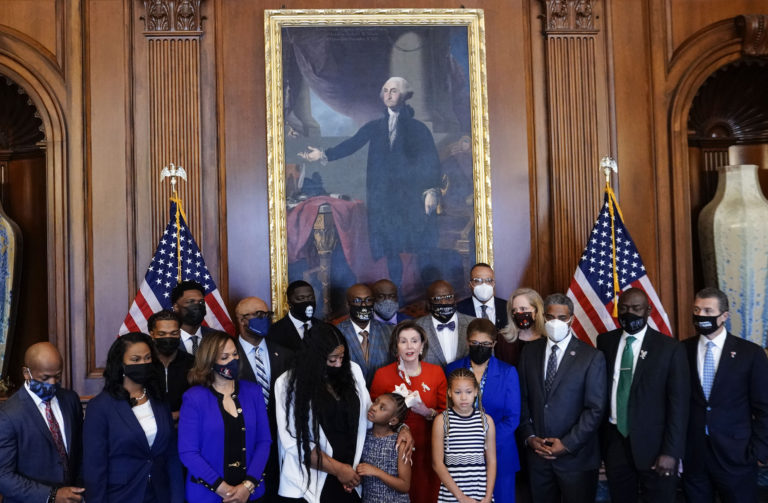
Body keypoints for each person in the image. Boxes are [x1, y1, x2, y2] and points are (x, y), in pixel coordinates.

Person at [299, 77, 441, 285]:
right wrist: (322, 154)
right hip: (383, 199)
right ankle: (397, 294)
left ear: (404, 96)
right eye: (385, 90)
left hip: (410, 199)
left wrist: (431, 191)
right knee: (390, 248)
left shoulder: (419, 129)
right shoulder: (375, 126)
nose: (388, 94)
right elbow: (352, 144)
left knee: (414, 246)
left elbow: (431, 161)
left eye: (394, 91)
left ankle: (421, 290)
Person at [596, 287, 689, 503]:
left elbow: (679, 405)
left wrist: (671, 451)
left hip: (656, 447)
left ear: (648, 311)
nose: (630, 314)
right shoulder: (605, 342)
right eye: (624, 308)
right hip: (615, 441)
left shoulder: (670, 348)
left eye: (636, 308)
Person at [518, 293, 606, 503]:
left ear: (572, 319)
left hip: (576, 459)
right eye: (550, 317)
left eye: (562, 318)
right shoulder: (529, 352)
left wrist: (566, 444)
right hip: (538, 458)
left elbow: (595, 409)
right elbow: (522, 399)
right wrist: (529, 438)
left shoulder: (591, 356)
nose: (555, 322)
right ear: (543, 318)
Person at [682, 287, 768, 502]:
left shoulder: (750, 353)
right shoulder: (681, 350)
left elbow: (764, 406)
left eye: (708, 311)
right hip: (694, 455)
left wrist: (758, 452)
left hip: (737, 456)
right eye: (697, 309)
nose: (701, 316)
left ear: (724, 316)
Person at [275, 323, 374, 502]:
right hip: (307, 484)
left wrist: (402, 428)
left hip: (350, 480)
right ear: (315, 358)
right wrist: (338, 470)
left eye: (342, 358)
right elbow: (294, 442)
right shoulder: (287, 384)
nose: (338, 364)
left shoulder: (353, 371)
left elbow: (370, 418)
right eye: (331, 360)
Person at [83, 332, 183, 503]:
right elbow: (94, 467)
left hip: (160, 494)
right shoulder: (100, 407)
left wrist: (177, 498)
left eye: (147, 358)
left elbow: (171, 454)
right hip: (121, 495)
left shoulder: (159, 399)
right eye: (135, 360)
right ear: (121, 364)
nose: (143, 364)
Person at [178, 331, 272, 502]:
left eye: (235, 354)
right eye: (224, 357)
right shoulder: (194, 398)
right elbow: (188, 452)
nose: (232, 360)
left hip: (251, 494)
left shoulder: (253, 391)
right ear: (209, 361)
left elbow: (264, 441)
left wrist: (248, 486)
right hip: (207, 495)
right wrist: (224, 490)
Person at [370, 320, 447, 502]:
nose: (409, 346)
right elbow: (372, 415)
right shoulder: (382, 375)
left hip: (429, 447)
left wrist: (426, 412)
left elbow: (446, 415)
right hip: (395, 451)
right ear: (396, 347)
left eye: (414, 340)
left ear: (422, 346)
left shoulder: (436, 373)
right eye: (403, 341)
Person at [446, 318, 520, 503]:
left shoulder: (508, 372)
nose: (480, 347)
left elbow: (512, 418)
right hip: (461, 454)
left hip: (500, 453)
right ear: (467, 342)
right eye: (475, 343)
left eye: (486, 344)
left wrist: (485, 440)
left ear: (494, 344)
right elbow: (446, 410)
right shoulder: (451, 369)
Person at [0, 342, 84, 503]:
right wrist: (51, 496)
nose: (53, 383)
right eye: (45, 377)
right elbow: (3, 475)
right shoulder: (8, 414)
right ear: (27, 373)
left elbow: (80, 452)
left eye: (57, 376)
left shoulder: (70, 399)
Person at [233, 295, 294, 501]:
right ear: (242, 320)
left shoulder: (285, 354)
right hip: (244, 444)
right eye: (259, 315)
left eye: (267, 314)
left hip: (280, 445)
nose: (266, 319)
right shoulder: (228, 355)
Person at [432, 367, 497, 503]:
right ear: (449, 392)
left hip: (481, 495)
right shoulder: (441, 421)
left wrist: (488, 496)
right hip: (452, 496)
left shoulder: (486, 421)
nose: (463, 397)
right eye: (457, 392)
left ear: (475, 392)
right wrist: (461, 497)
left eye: (468, 392)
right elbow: (437, 463)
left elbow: (491, 461)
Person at [356, 393, 412, 503]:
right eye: (375, 402)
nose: (374, 407)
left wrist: (377, 472)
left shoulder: (400, 443)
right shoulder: (363, 437)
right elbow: (364, 473)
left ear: (393, 420)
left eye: (382, 408)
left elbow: (405, 485)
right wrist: (355, 481)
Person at [335, 283, 392, 386]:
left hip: (384, 394)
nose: (364, 305)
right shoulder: (336, 333)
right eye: (357, 301)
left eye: (368, 300)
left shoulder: (389, 331)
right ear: (348, 305)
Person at [148, 309, 194, 421]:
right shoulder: (144, 364)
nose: (168, 338)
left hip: (185, 423)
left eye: (174, 333)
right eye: (162, 334)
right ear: (152, 334)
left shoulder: (193, 363)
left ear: (179, 333)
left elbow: (200, 400)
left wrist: (177, 415)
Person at [416, 280, 474, 367]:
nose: (444, 303)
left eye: (448, 297)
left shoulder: (473, 324)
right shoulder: (416, 327)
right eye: (437, 299)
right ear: (428, 303)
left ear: (455, 299)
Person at [497, 287, 546, 366]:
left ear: (537, 311)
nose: (518, 313)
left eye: (523, 309)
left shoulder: (547, 340)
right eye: (514, 310)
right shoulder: (503, 340)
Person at [270, 280, 321, 351]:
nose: (307, 301)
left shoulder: (325, 329)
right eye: (301, 298)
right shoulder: (274, 332)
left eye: (311, 298)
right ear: (289, 303)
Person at [456, 263, 508, 332]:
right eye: (478, 281)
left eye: (489, 280)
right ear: (470, 284)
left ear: (494, 283)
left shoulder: (507, 307)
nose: (484, 285)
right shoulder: (459, 309)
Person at [172, 280, 217, 355]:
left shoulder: (216, 337)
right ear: (176, 307)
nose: (197, 306)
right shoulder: (167, 340)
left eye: (201, 302)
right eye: (190, 302)